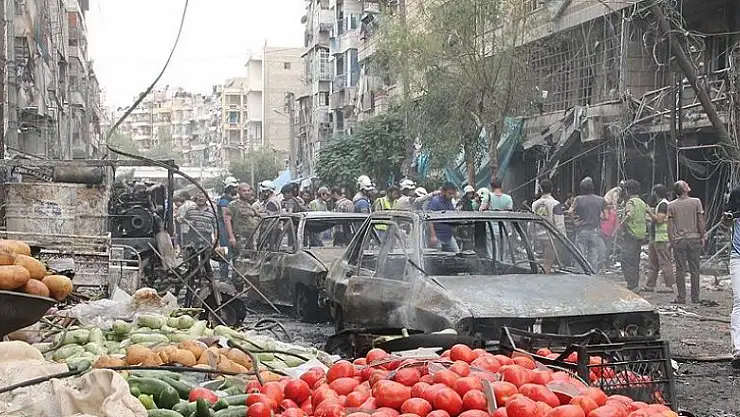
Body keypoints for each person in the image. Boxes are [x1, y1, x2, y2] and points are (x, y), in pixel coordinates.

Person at [668, 180, 706, 304]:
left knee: (680, 270)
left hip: (679, 240)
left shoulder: (671, 205)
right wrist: (702, 235)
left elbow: (670, 225)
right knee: (695, 269)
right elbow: (700, 221)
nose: (688, 185)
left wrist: (671, 241)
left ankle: (681, 297)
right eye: (686, 184)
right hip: (694, 239)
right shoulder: (696, 202)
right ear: (684, 189)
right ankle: (695, 298)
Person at [569, 177, 608, 272]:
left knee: (580, 254)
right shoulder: (601, 200)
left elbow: (570, 211)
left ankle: (580, 274)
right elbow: (606, 217)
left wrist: (575, 221)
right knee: (594, 254)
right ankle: (592, 274)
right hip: (595, 230)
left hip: (582, 229)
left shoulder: (578, 199)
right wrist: (597, 216)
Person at [644, 184, 675, 293]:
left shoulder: (663, 205)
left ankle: (669, 286)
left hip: (662, 238)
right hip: (655, 238)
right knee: (652, 263)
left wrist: (649, 212)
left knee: (665, 263)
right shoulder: (660, 204)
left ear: (656, 193)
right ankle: (650, 285)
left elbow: (659, 220)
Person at [722, 186, 740, 370]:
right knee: (739, 300)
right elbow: (725, 222)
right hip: (738, 255)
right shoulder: (737, 193)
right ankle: (738, 350)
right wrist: (727, 219)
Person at [531, 179, 565, 273]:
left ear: (541, 189)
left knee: (542, 262)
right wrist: (563, 238)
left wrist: (531, 235)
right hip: (551, 237)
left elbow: (531, 222)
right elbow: (560, 223)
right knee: (548, 263)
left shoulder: (534, 204)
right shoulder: (555, 204)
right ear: (552, 189)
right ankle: (545, 276)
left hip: (538, 236)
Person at [620, 180, 648, 292]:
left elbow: (629, 214)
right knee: (635, 260)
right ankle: (634, 284)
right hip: (640, 235)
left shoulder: (630, 202)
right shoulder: (642, 202)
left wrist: (619, 225)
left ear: (627, 191)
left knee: (626, 259)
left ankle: (631, 284)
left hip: (630, 234)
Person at [225, 183, 261, 254]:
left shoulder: (250, 205)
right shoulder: (233, 205)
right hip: (240, 238)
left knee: (252, 257)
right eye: (244, 191)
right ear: (239, 192)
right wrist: (231, 237)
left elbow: (257, 215)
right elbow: (227, 220)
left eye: (248, 190)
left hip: (252, 237)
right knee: (240, 258)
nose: (247, 193)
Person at [216, 177, 238, 281]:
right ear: (230, 188)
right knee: (225, 252)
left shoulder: (231, 199)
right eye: (234, 187)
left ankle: (234, 276)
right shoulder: (224, 200)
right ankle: (223, 276)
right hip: (224, 228)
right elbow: (225, 216)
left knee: (234, 252)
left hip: (230, 227)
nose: (236, 189)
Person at [428, 183, 459, 252]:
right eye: (450, 193)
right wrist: (433, 236)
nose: (452, 196)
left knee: (457, 254)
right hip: (438, 236)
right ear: (443, 192)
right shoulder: (435, 202)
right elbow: (429, 219)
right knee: (438, 257)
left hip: (448, 236)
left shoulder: (449, 202)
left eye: (453, 194)